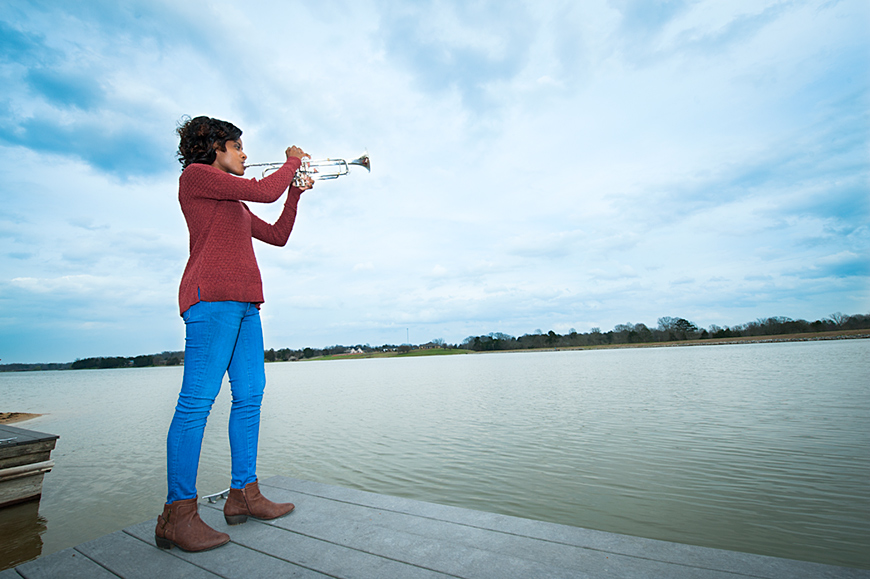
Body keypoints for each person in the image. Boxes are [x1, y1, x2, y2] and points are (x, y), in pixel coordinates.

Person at [155, 115, 313, 552]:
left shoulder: (234, 205)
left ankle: (244, 495)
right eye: (238, 146)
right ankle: (178, 514)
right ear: (217, 148)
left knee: (250, 395)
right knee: (196, 403)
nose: (244, 154)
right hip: (211, 302)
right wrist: (291, 162)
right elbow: (264, 190)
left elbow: (278, 235)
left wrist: (295, 190)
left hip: (246, 305)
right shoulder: (196, 177)